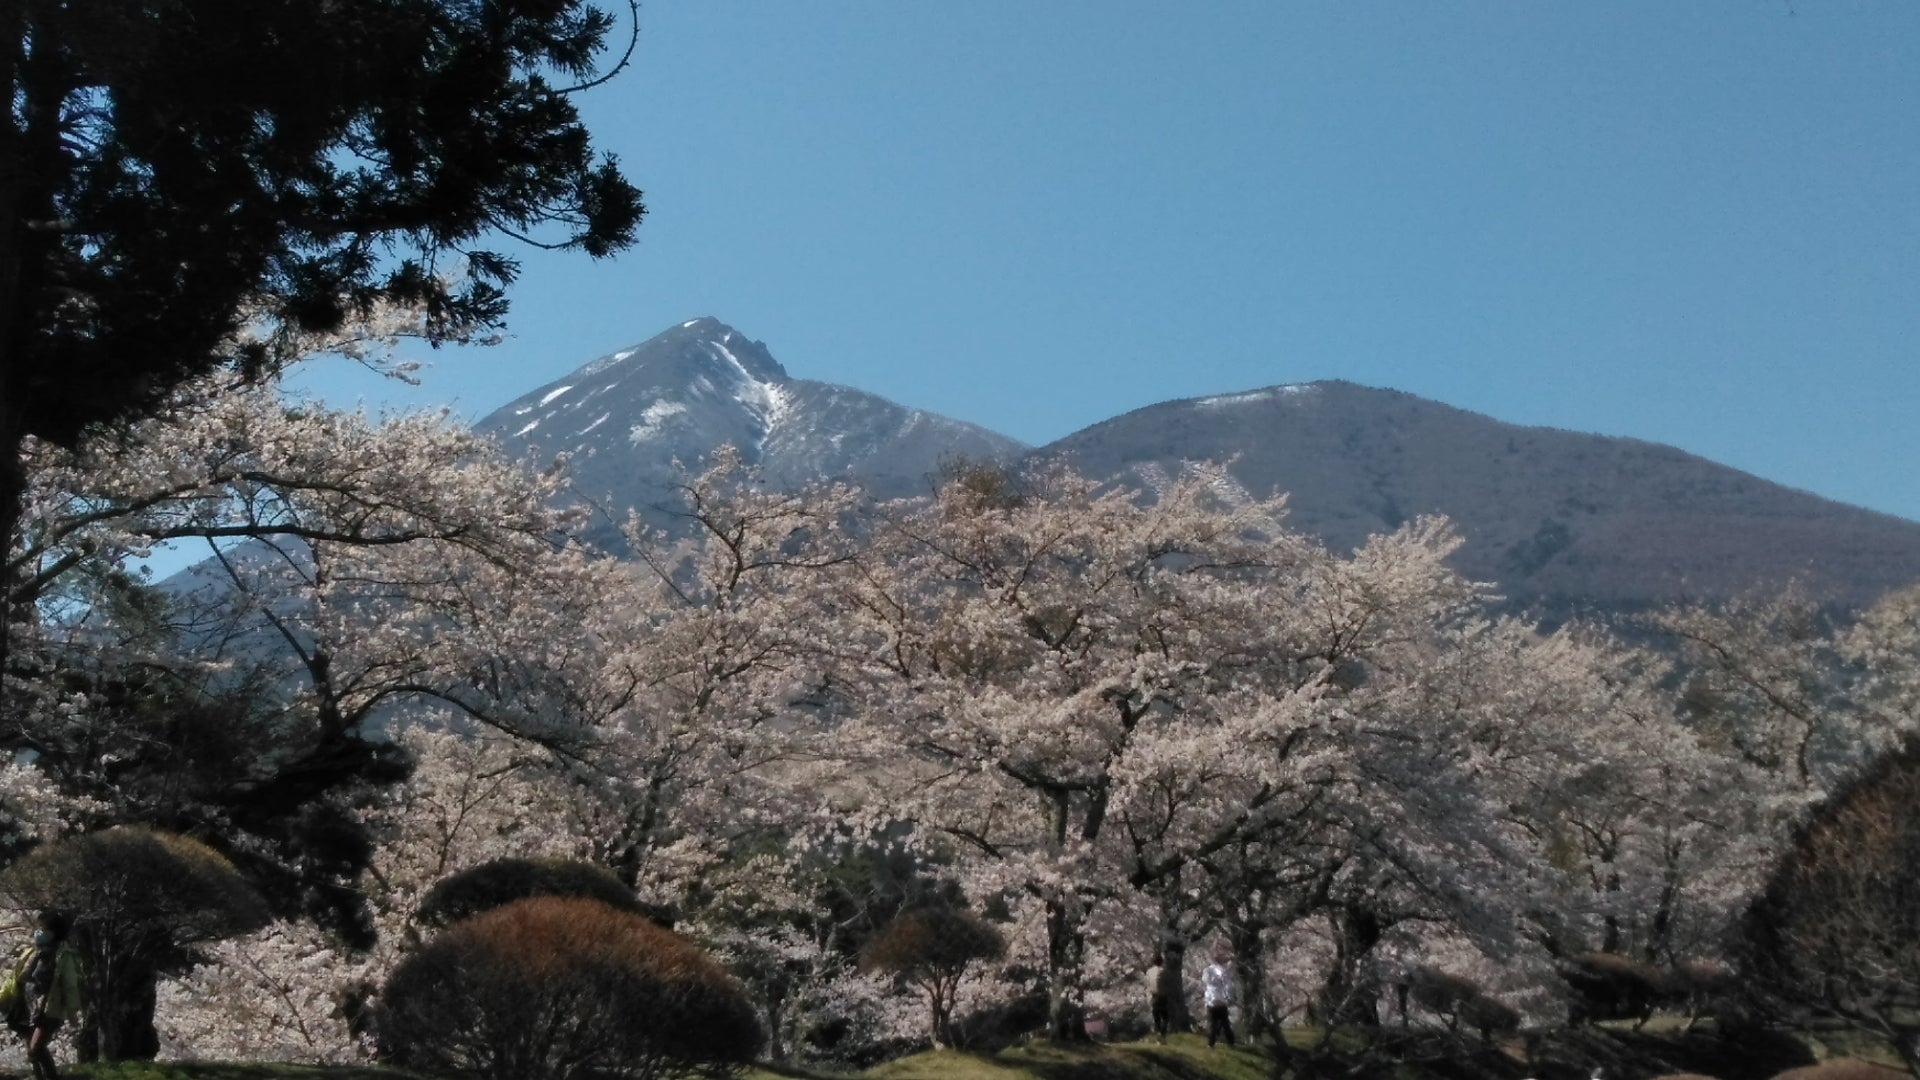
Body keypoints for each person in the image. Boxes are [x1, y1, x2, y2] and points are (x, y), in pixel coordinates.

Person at [9, 912, 83, 1080]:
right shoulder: (35, 952)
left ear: (54, 933)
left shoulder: (63, 956)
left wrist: (72, 1012)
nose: (38, 932)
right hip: (30, 1008)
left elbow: (70, 985)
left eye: (43, 929)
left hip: (50, 1008)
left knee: (36, 1048)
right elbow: (19, 976)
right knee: (32, 1051)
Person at [1202, 946, 1235, 1048]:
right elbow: (1228, 984)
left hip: (1211, 1001)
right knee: (1225, 1024)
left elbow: (1205, 981)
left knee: (1212, 1023)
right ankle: (1231, 1042)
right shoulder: (1224, 971)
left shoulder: (1208, 970)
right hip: (1222, 1001)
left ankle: (1211, 1043)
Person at [1145, 951, 1169, 1043]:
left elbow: (1147, 984)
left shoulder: (1149, 972)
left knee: (1156, 1017)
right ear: (1162, 962)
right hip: (1162, 996)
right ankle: (1162, 1035)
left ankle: (1158, 1033)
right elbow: (1168, 983)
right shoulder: (1164, 971)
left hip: (1153, 996)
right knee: (1165, 1017)